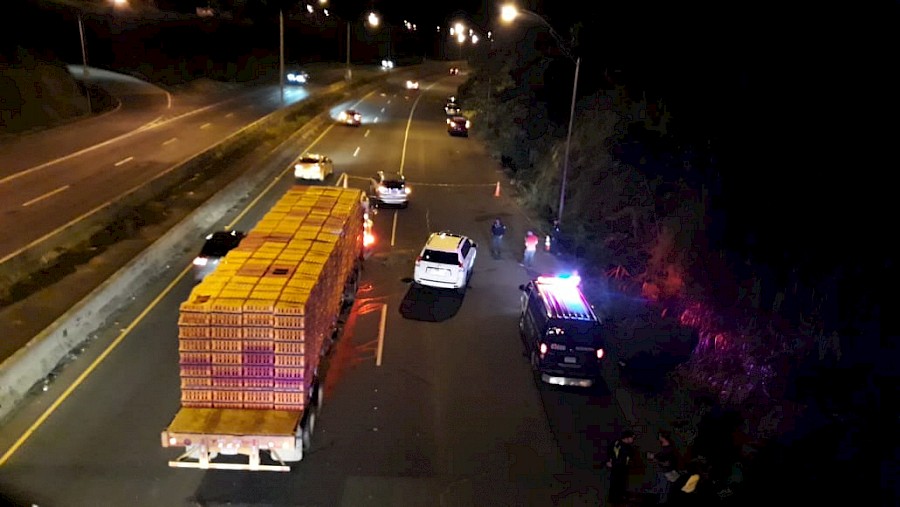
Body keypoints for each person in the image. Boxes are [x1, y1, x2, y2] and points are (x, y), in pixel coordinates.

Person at [647, 430, 680, 504]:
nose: (658, 437)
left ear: (662, 437)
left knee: (663, 492)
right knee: (662, 491)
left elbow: (666, 463)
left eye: (660, 436)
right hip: (666, 472)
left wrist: (654, 458)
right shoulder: (667, 448)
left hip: (666, 473)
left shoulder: (668, 450)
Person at [606, 430, 635, 505]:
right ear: (627, 438)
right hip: (620, 468)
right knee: (619, 484)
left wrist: (608, 461)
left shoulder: (616, 442)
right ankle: (617, 500)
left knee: (615, 484)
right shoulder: (625, 448)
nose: (633, 440)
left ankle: (614, 499)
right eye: (632, 438)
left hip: (616, 468)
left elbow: (609, 451)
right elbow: (622, 460)